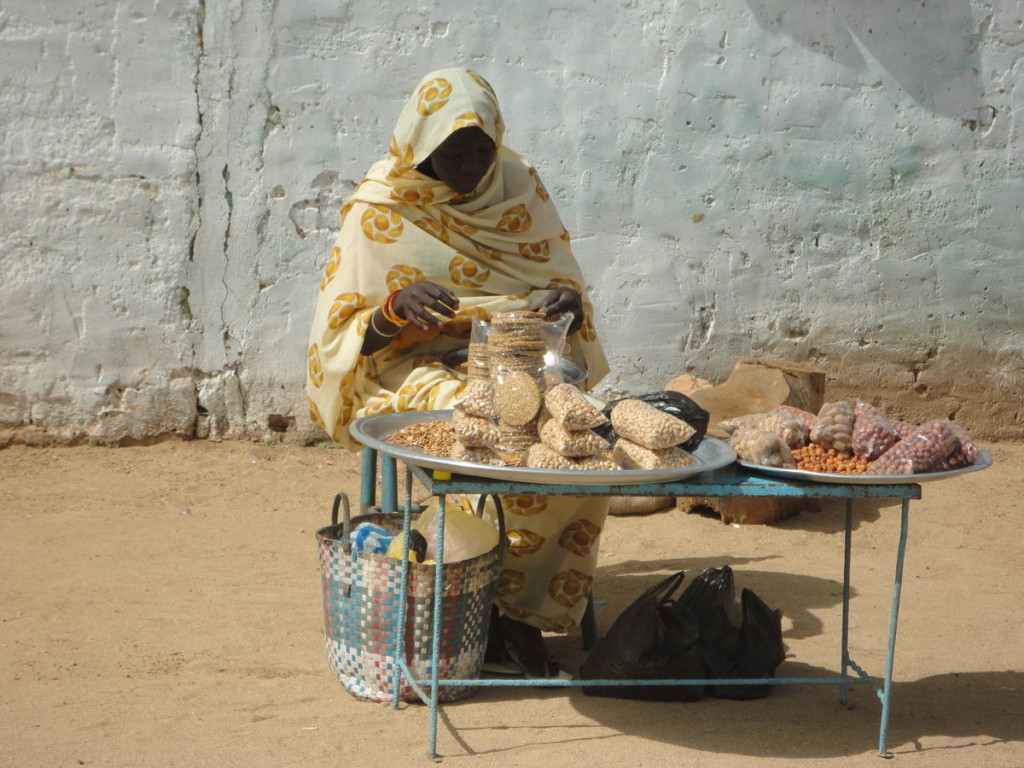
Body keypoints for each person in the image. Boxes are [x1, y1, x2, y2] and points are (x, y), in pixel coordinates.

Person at [306, 67, 610, 676]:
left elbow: (561, 285)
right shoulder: (382, 206)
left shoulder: (518, 187)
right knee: (490, 433)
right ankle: (483, 613)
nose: (472, 164)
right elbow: (341, 333)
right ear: (422, 148)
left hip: (516, 365)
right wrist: (396, 309)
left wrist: (568, 307)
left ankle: (520, 613)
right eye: (454, 152)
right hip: (410, 371)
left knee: (578, 445)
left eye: (482, 149)